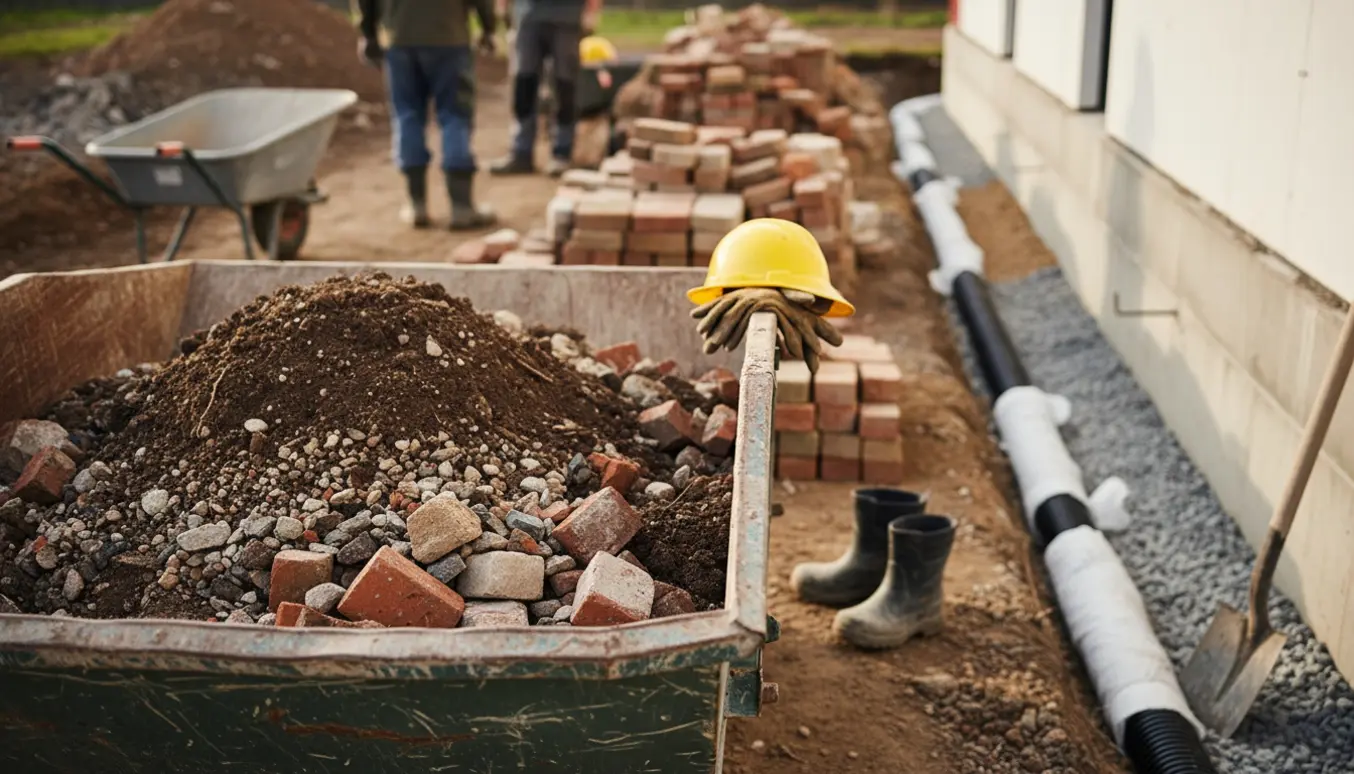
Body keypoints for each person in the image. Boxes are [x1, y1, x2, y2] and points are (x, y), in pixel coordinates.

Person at [356, 0, 498, 230]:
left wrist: (368, 33)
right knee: (455, 115)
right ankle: (461, 207)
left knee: (407, 115)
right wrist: (488, 27)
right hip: (449, 36)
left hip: (400, 37)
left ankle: (417, 206)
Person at [490, 0, 602, 178]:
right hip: (528, 15)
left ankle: (562, 152)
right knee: (524, 84)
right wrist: (502, 5)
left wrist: (592, 10)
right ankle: (521, 152)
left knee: (565, 85)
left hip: (567, 17)